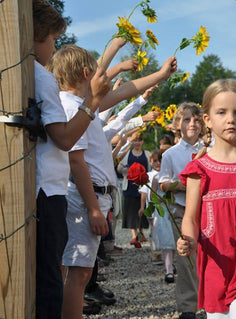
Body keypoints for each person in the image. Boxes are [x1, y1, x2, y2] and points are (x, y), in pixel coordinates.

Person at [47, 43, 177, 319]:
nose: (102, 76)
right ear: (86, 74)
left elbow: (125, 91)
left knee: (80, 271)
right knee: (79, 273)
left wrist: (161, 75)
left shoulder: (83, 104)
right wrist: (94, 208)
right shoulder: (72, 108)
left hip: (91, 198)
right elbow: (76, 162)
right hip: (85, 201)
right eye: (97, 71)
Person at [32, 1, 111, 317]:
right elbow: (65, 140)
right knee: (56, 277)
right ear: (38, 36)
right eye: (52, 40)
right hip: (49, 191)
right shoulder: (43, 79)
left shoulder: (34, 75)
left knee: (58, 272)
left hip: (49, 189)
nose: (53, 49)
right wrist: (91, 102)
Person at [177, 79, 236, 318]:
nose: (231, 119)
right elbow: (190, 217)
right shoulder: (199, 168)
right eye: (222, 112)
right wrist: (187, 239)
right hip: (215, 264)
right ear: (207, 119)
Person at [157, 103, 204, 319]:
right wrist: (187, 184)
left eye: (196, 119)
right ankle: (188, 307)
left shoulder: (210, 150)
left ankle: (213, 302)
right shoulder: (171, 155)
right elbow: (164, 183)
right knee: (186, 259)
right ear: (178, 125)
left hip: (207, 209)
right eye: (186, 119)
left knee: (208, 257)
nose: (192, 124)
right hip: (182, 210)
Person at [140, 150, 176, 282]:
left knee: (176, 239)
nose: (159, 163)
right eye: (156, 160)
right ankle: (169, 270)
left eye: (161, 161)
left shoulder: (174, 174)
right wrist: (163, 198)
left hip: (175, 209)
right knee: (167, 241)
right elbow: (152, 196)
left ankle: (172, 264)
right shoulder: (156, 178)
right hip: (164, 212)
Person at [117, 135, 151, 246]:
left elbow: (151, 169)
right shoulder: (127, 154)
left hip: (143, 186)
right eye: (135, 140)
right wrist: (122, 168)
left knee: (142, 209)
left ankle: (141, 233)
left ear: (142, 141)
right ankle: (133, 235)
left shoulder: (147, 154)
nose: (137, 143)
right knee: (131, 211)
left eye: (139, 140)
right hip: (130, 186)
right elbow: (119, 168)